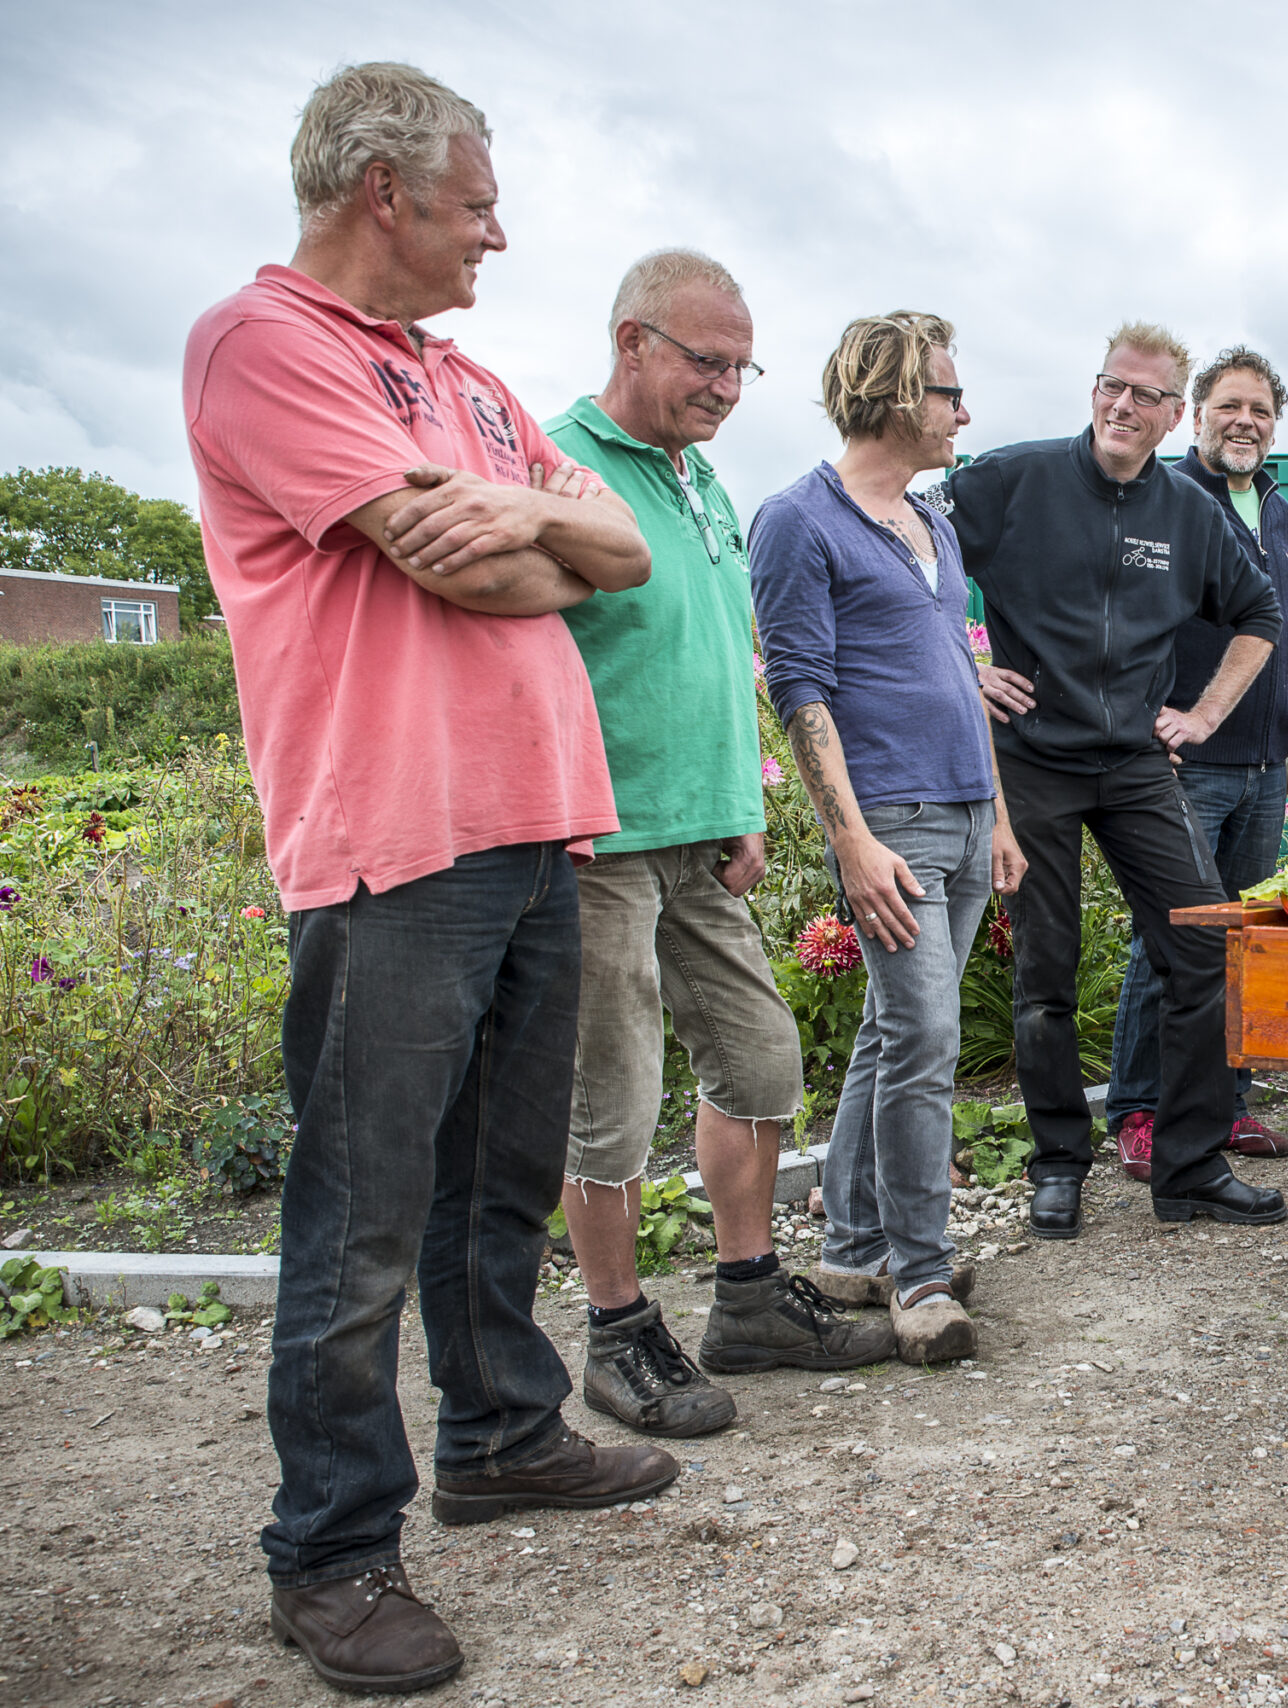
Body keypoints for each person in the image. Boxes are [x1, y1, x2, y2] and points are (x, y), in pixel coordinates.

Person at [182, 63, 674, 1694]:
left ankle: (502, 1432)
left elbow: (625, 556)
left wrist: (525, 515)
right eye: (476, 203)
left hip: (538, 822)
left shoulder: (462, 379)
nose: (499, 235)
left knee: (497, 1179)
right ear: (380, 191)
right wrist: (538, 531)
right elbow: (458, 568)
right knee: (362, 1210)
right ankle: (327, 1547)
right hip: (394, 838)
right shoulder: (263, 346)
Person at [547, 249, 891, 1436]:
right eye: (707, 360)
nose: (728, 386)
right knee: (613, 1093)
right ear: (631, 339)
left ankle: (745, 1299)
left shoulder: (701, 483)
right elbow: (520, 653)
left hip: (702, 832)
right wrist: (559, 807)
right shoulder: (558, 463)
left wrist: (744, 793)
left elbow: (708, 653)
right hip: (601, 838)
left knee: (760, 1059)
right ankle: (616, 1331)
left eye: (744, 367)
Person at [954, 323, 1285, 1238]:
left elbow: (1259, 611)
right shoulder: (1010, 480)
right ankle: (1058, 1163)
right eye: (1111, 387)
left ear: (1174, 414)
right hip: (1034, 760)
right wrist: (962, 664)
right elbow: (913, 559)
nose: (1122, 407)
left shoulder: (1188, 510)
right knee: (1045, 974)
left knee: (1207, 951)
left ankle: (1187, 1164)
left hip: (1138, 764)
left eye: (1144, 396)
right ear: (1094, 389)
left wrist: (1206, 713)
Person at [752, 311, 1025, 1362]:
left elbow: (962, 665)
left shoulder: (932, 522)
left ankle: (852, 1245)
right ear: (900, 396)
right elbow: (800, 692)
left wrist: (997, 810)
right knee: (925, 1041)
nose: (964, 412)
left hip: (961, 804)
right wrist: (852, 841)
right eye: (950, 393)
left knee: (886, 1033)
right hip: (891, 819)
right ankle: (919, 1272)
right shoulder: (796, 520)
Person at [1101, 347, 1288, 1180]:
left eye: (1259, 409)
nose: (1244, 422)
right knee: (1169, 939)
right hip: (1187, 763)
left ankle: (1224, 1103)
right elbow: (1118, 610)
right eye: (1229, 406)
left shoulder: (1279, 511)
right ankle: (1141, 1109)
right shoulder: (1167, 496)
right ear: (1196, 413)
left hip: (1263, 765)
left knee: (1242, 941)